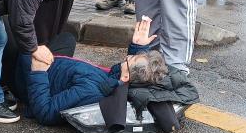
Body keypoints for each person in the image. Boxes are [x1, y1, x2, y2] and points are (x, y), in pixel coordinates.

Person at [15, 19, 168, 126]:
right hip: (54, 64)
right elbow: (123, 72)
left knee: (9, 29)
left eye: (131, 58)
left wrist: (38, 72)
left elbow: (45, 112)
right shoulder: (114, 80)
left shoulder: (89, 90)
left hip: (26, 74)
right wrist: (137, 47)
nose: (127, 56)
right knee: (68, 38)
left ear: (126, 77)